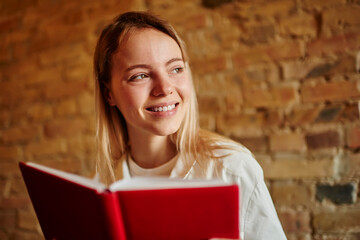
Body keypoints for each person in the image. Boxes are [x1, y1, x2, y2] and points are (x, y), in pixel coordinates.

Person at [93, 11, 286, 240]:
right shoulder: (101, 184)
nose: (164, 88)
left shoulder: (231, 169)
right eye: (140, 75)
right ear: (109, 94)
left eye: (176, 69)